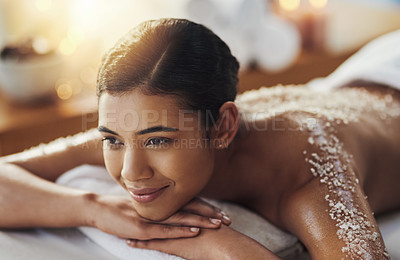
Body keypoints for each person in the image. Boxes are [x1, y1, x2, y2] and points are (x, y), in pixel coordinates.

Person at [1, 18, 399, 259]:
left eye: (158, 141)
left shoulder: (307, 172)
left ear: (223, 127)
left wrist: (225, 248)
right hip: (346, 81)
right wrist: (91, 208)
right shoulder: (140, 125)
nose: (130, 173)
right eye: (112, 140)